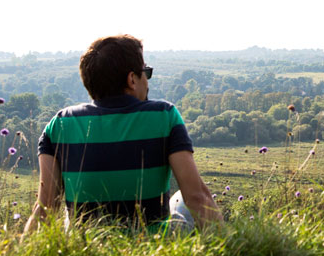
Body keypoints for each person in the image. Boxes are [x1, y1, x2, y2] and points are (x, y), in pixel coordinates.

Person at [24, 34, 221, 234]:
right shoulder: (164, 116)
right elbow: (196, 197)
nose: (147, 80)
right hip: (151, 250)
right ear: (132, 79)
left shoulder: (60, 124)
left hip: (86, 249)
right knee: (181, 201)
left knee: (70, 217)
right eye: (146, 72)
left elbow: (45, 207)